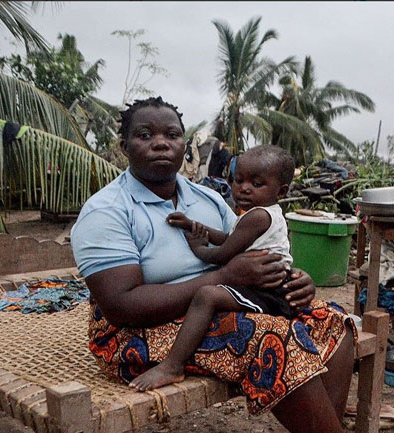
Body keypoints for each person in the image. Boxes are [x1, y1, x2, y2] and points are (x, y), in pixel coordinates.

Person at [71, 96, 356, 433]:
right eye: (145, 135)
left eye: (172, 135)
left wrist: (294, 279)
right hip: (135, 331)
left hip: (214, 307)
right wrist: (224, 275)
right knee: (273, 337)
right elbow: (121, 306)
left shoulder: (206, 199)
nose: (161, 143)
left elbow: (248, 249)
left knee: (332, 319)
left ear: (184, 144)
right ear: (124, 147)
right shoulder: (107, 210)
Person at [129, 145, 297, 391]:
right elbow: (229, 238)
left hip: (267, 291)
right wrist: (192, 225)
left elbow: (223, 254)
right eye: (238, 180)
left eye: (257, 184)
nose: (244, 188)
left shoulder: (257, 217)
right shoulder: (260, 214)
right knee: (211, 294)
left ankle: (173, 366)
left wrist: (198, 248)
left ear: (281, 191)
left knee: (207, 295)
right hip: (269, 286)